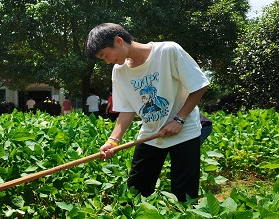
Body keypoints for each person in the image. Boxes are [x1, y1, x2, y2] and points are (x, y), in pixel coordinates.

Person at [85, 22, 209, 202]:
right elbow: (127, 110)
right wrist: (113, 140)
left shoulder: (168, 51)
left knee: (184, 195)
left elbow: (199, 85)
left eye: (105, 55)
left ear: (119, 41)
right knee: (135, 191)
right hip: (151, 134)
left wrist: (179, 119)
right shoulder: (119, 71)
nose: (107, 61)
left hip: (184, 131)